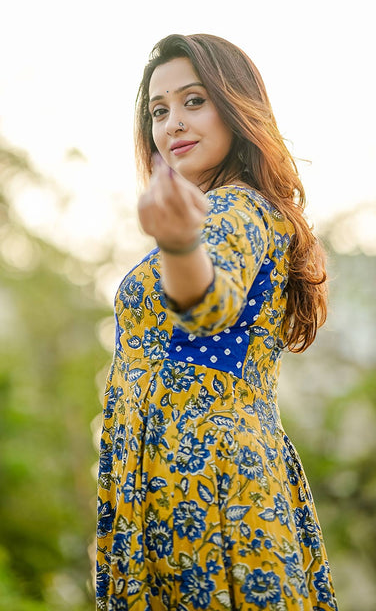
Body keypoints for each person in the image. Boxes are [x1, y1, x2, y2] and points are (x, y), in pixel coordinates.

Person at [96, 33, 338, 611]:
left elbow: (209, 304)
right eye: (159, 111)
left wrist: (179, 248)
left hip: (210, 487)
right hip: (171, 479)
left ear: (235, 106)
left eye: (194, 100)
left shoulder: (241, 208)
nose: (173, 122)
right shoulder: (222, 210)